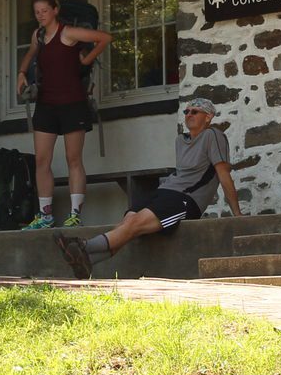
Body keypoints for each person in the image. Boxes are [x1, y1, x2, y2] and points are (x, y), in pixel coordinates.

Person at [54, 97, 240, 278]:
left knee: (135, 224)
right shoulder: (180, 141)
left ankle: (82, 246)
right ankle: (88, 262)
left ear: (208, 117)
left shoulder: (213, 135)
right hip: (164, 191)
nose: (189, 115)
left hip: (186, 199)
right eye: (187, 111)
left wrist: (237, 215)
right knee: (128, 221)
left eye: (195, 112)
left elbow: (223, 174)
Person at [15, 0, 111, 229]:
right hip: (46, 103)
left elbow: (105, 38)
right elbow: (30, 52)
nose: (40, 16)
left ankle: (75, 213)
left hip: (72, 103)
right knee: (41, 160)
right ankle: (45, 215)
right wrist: (21, 73)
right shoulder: (38, 35)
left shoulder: (68, 32)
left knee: (73, 159)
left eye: (44, 11)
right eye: (37, 12)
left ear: (55, 10)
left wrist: (86, 60)